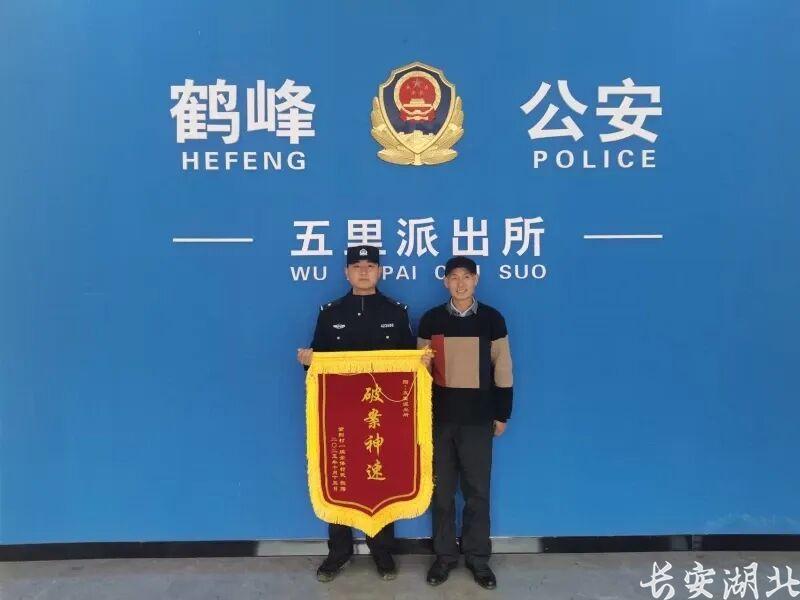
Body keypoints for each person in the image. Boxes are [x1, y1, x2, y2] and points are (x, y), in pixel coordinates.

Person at [297, 244, 417, 583]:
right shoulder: (330, 314)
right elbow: (317, 365)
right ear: (346, 273)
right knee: (339, 477)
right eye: (357, 266)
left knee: (381, 478)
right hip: (340, 416)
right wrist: (308, 360)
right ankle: (339, 551)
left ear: (380, 272)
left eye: (370, 266)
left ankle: (382, 551)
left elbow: (409, 367)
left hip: (382, 415)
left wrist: (421, 362)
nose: (364, 272)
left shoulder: (396, 313)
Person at [417, 256, 513, 590]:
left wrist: (502, 413)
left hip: (478, 421)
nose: (461, 283)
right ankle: (444, 557)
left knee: (477, 492)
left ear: (476, 280)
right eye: (454, 277)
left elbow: (503, 368)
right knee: (442, 493)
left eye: (467, 277)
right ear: (445, 282)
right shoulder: (430, 320)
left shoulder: (492, 319)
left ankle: (477, 558)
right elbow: (420, 373)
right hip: (440, 421)